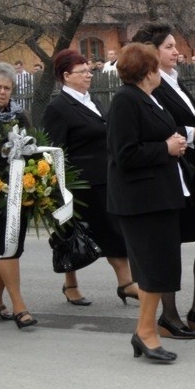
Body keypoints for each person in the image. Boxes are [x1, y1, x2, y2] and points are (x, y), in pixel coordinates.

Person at [132, 23, 195, 338]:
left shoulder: (174, 80)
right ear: (151, 52)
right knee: (169, 242)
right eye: (169, 47)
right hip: (170, 169)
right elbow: (162, 126)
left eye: (176, 46)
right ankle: (168, 316)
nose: (177, 52)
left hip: (192, 168)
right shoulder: (148, 86)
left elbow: (187, 117)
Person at [106, 43, 187, 363]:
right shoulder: (125, 101)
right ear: (147, 72)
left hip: (159, 197)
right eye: (156, 67)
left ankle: (145, 330)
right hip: (140, 202)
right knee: (153, 269)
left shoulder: (146, 98)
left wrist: (175, 142)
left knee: (161, 267)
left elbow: (156, 137)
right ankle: (146, 332)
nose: (160, 73)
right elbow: (123, 155)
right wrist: (164, 149)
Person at [41, 50, 139, 307]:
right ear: (65, 76)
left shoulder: (92, 101)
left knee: (113, 231)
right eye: (81, 72)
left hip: (105, 179)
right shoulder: (58, 107)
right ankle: (71, 284)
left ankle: (126, 283)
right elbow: (54, 149)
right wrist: (59, 188)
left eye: (89, 71)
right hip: (78, 185)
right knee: (71, 235)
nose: (88, 76)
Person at [0, 62, 37, 328]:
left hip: (20, 187)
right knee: (5, 248)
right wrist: (4, 150)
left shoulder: (20, 115)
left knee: (9, 248)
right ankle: (19, 306)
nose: (2, 92)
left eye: (7, 87)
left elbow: (32, 141)